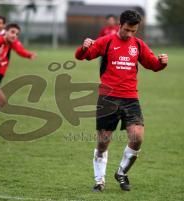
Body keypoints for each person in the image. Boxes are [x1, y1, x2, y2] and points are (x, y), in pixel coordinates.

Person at [75, 10, 168, 191]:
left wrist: (162, 62)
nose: (130, 34)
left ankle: (121, 173)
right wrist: (84, 47)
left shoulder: (139, 45)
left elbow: (152, 65)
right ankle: (99, 180)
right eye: (127, 30)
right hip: (108, 98)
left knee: (137, 138)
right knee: (103, 143)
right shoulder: (106, 41)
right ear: (120, 25)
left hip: (131, 98)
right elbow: (81, 56)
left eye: (133, 31)